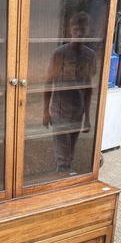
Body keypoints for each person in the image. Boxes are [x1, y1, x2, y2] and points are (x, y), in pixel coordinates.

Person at [43, 11, 97, 173]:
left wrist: (87, 117)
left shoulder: (90, 55)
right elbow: (48, 82)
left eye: (83, 29)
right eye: (76, 29)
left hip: (77, 110)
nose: (79, 32)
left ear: (87, 30)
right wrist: (46, 111)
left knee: (71, 151)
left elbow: (88, 87)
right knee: (62, 154)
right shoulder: (59, 54)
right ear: (70, 30)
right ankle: (62, 181)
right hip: (60, 109)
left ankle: (66, 180)